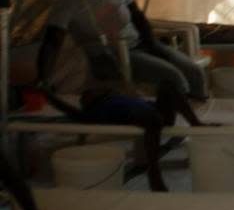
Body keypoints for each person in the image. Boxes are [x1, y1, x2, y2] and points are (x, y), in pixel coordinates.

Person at [37, 0, 208, 101]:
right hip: (110, 58)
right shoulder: (69, 4)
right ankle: (180, 123)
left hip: (141, 45)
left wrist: (153, 44)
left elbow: (137, 16)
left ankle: (202, 115)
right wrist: (43, 79)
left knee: (194, 72)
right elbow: (52, 44)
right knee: (173, 77)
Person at [44, 78, 209, 192]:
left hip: (155, 113)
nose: (90, 93)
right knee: (152, 118)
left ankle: (196, 123)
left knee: (167, 85)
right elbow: (71, 111)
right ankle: (154, 172)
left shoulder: (118, 97)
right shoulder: (96, 111)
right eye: (86, 97)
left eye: (91, 92)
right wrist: (49, 96)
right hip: (139, 118)